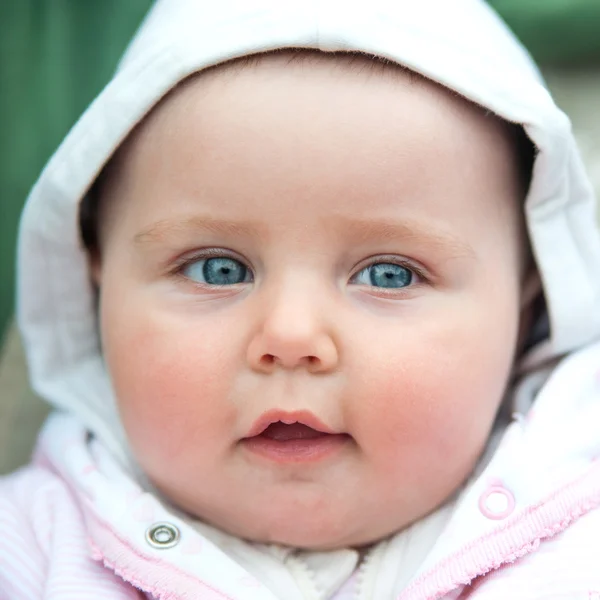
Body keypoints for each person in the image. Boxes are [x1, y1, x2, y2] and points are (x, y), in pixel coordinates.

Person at [2, 0, 600, 598]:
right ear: (96, 281)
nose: (290, 337)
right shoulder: (29, 547)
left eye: (389, 274)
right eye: (217, 269)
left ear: (527, 308)